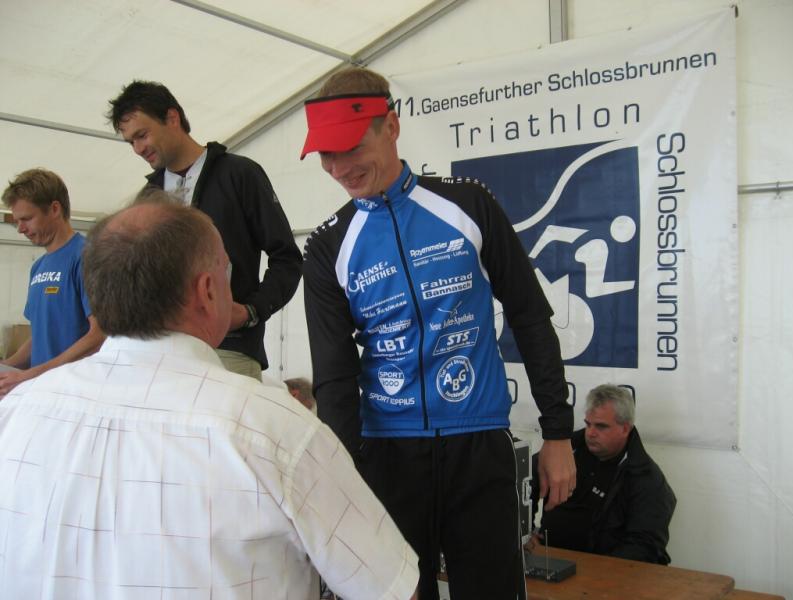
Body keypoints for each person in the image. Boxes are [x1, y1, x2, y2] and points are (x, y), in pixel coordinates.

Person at [0, 198, 419, 600]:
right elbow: (388, 588)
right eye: (225, 269)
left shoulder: (17, 411)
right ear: (207, 291)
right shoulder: (275, 429)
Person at [300, 66, 576, 600]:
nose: (339, 168)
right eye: (326, 155)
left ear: (391, 126)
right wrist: (344, 476)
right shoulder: (328, 245)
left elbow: (529, 316)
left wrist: (559, 433)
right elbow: (334, 378)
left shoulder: (468, 204)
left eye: (350, 147)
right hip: (387, 457)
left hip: (479, 444)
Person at [107, 80, 303, 379]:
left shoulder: (239, 174)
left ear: (172, 118)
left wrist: (251, 311)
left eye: (142, 135)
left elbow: (287, 258)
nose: (138, 149)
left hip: (229, 349)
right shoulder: (148, 197)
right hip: (159, 352)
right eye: (130, 141)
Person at [528, 384, 677, 564]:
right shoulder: (565, 452)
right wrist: (524, 532)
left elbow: (645, 546)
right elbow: (523, 482)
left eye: (601, 426)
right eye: (588, 424)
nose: (590, 433)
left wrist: (595, 569)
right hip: (549, 560)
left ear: (625, 429)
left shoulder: (647, 479)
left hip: (607, 571)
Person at [0, 168, 105, 397]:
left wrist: (31, 375)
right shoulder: (38, 267)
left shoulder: (87, 256)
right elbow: (39, 336)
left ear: (55, 209)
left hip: (76, 393)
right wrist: (8, 366)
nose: (20, 229)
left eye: (27, 219)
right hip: (43, 393)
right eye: (17, 221)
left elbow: (99, 334)